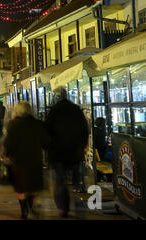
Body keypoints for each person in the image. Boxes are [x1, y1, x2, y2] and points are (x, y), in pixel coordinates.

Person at [45, 87, 89, 218]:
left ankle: (63, 208)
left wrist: (49, 148)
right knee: (76, 181)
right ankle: (77, 202)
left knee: (60, 181)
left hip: (58, 154)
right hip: (75, 152)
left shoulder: (53, 111)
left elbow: (47, 132)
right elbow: (84, 129)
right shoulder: (76, 110)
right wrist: (82, 146)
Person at [4, 102, 50, 219]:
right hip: (35, 160)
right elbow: (46, 142)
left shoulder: (13, 125)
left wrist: (7, 155)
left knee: (20, 186)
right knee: (33, 186)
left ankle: (24, 210)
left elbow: (8, 144)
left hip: (18, 161)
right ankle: (33, 204)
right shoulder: (38, 124)